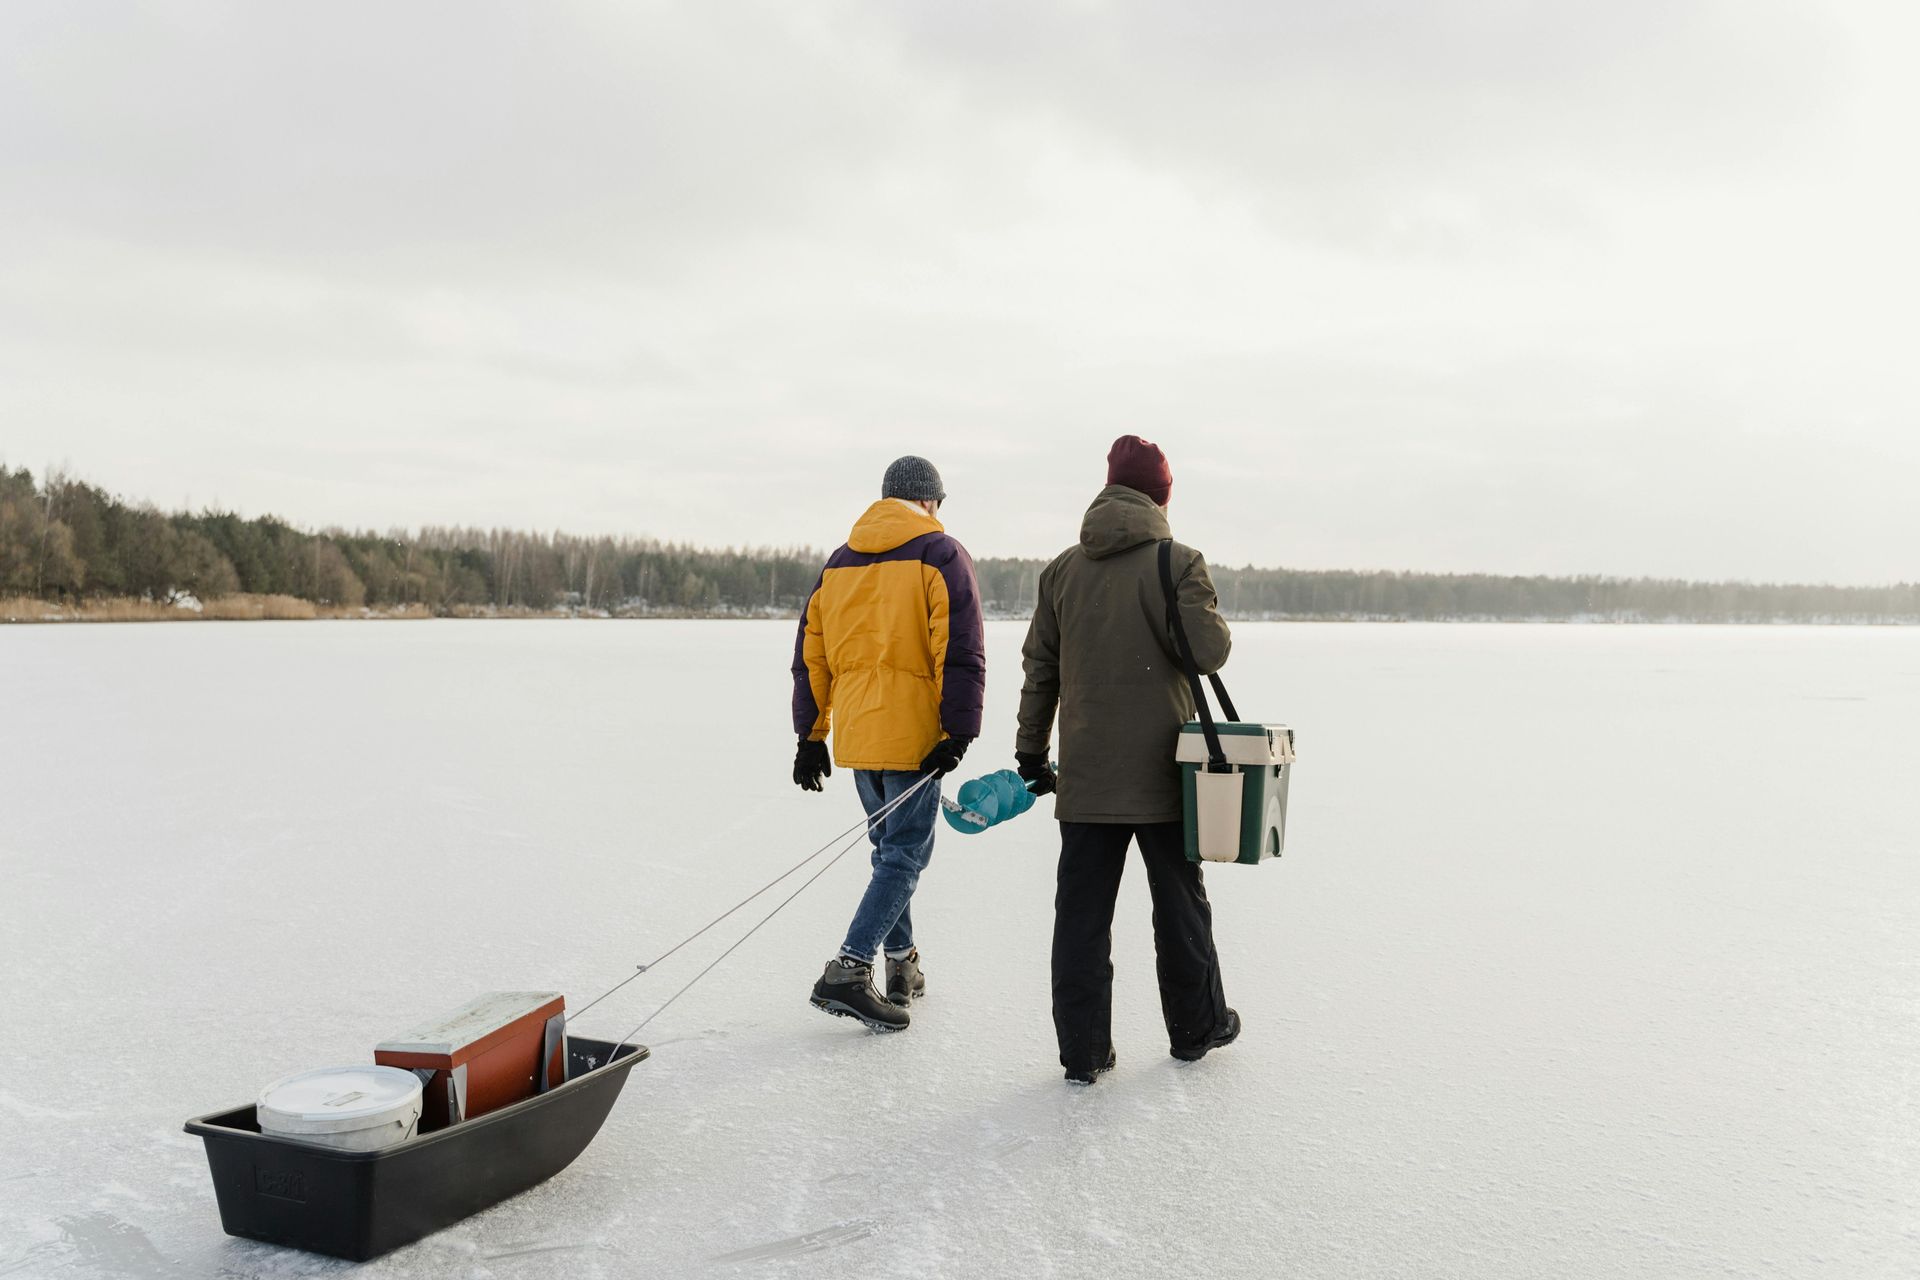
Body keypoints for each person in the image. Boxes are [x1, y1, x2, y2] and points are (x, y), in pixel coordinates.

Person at [1014, 436, 1241, 1083]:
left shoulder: (1061, 570)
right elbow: (1210, 652)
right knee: (1180, 906)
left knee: (1081, 921)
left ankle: (1084, 1054)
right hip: (1166, 775)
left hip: (1085, 781)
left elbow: (1041, 672)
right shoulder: (1178, 562)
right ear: (1161, 496)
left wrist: (1032, 751)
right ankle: (1196, 1030)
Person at [791, 455, 985, 1031]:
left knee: (887, 855)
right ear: (928, 501)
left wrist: (810, 736)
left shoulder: (839, 563)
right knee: (904, 857)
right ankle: (848, 971)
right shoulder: (940, 555)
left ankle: (902, 967)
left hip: (859, 737)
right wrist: (957, 733)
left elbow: (811, 658)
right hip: (914, 740)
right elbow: (961, 649)